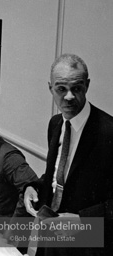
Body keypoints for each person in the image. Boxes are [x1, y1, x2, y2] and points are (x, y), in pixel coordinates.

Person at [23, 54, 113, 255]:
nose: (69, 96)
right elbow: (59, 174)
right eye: (61, 89)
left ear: (87, 86)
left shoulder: (108, 132)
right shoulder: (55, 124)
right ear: (50, 88)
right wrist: (33, 187)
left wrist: (82, 218)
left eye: (77, 88)